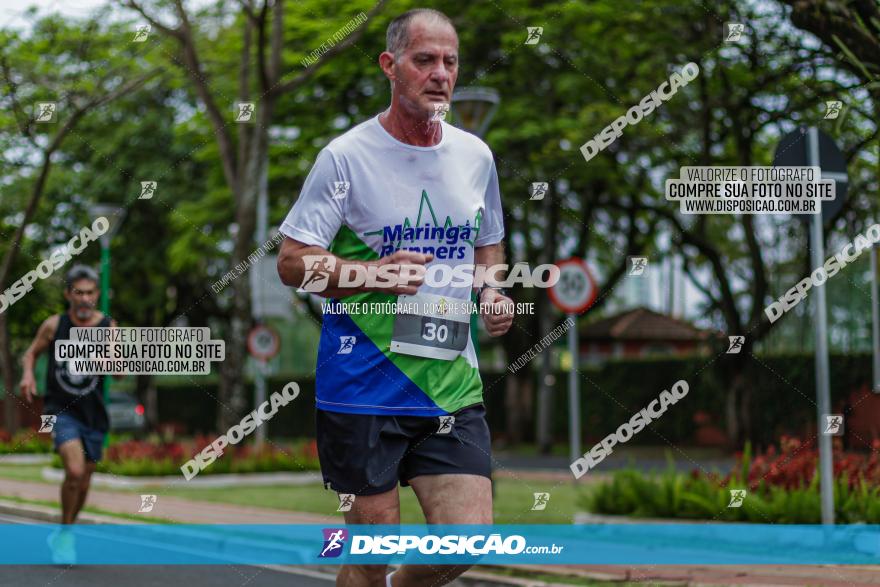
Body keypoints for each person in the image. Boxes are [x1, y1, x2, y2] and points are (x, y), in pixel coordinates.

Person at [277, 8, 514, 586]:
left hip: (449, 382)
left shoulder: (475, 157)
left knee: (465, 542)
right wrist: (374, 276)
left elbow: (490, 246)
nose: (440, 74)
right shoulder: (346, 157)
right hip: (362, 387)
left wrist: (492, 289)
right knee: (371, 557)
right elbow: (291, 263)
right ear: (390, 66)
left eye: (450, 62)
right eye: (424, 60)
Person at [19, 265, 119, 564]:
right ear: (68, 294)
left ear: (96, 295)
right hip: (60, 411)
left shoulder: (108, 327)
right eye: (79, 293)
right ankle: (65, 536)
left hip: (94, 414)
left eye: (90, 293)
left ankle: (65, 531)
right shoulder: (54, 325)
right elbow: (30, 353)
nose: (85, 299)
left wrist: (111, 361)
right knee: (74, 472)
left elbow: (121, 369)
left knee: (85, 480)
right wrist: (28, 376)